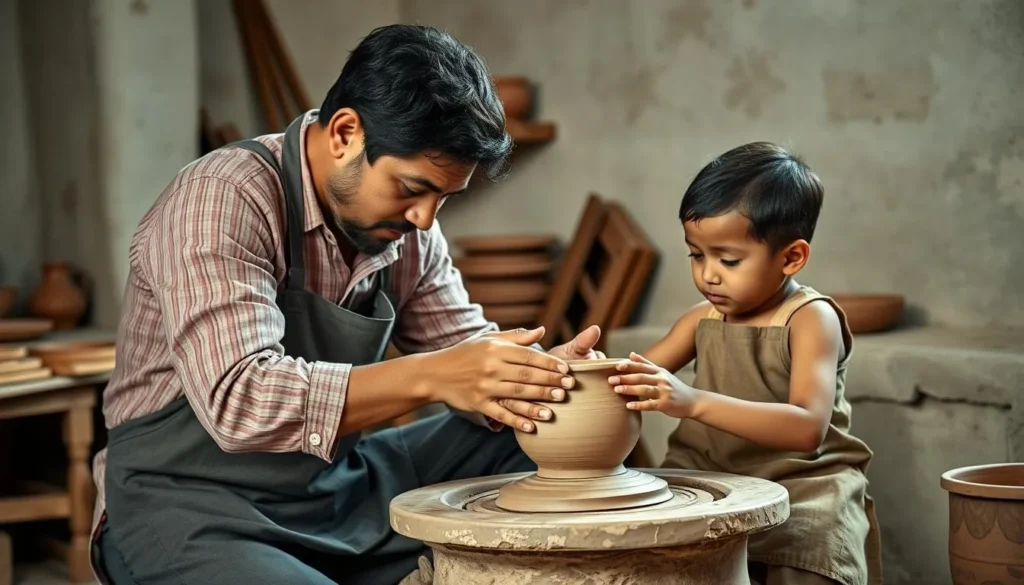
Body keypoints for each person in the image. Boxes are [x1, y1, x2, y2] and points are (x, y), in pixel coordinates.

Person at [89, 24, 607, 585]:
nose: (426, 220)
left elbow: (468, 357)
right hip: (187, 502)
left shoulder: (409, 234)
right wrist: (434, 375)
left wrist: (548, 375)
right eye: (411, 190)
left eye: (444, 199)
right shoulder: (224, 198)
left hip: (332, 487)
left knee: (532, 434)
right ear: (344, 133)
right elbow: (239, 402)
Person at [610, 142, 883, 585]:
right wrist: (584, 367)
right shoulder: (700, 320)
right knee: (655, 548)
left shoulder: (811, 319)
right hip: (708, 478)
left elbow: (806, 428)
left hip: (800, 484)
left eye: (729, 260)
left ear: (791, 257)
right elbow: (625, 377)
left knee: (814, 539)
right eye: (697, 255)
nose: (708, 275)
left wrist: (692, 402)